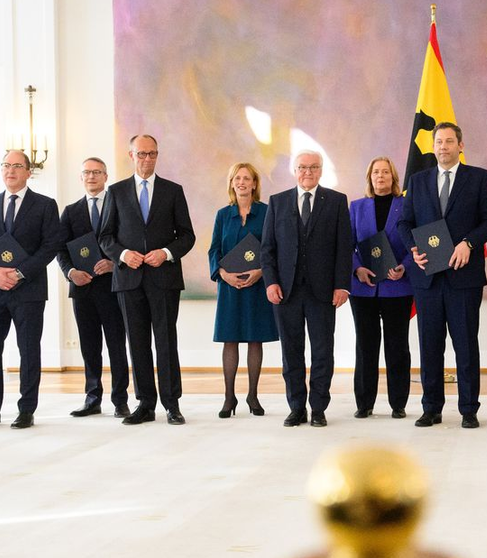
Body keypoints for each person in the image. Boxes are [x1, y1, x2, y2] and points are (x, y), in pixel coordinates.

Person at [399, 121, 487, 429]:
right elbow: (405, 223)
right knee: (430, 345)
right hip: (428, 278)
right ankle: (431, 408)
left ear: (460, 145)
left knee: (465, 344)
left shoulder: (479, 178)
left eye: (449, 142)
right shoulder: (417, 181)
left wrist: (469, 243)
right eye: (438, 142)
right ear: (433, 147)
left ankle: (469, 409)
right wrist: (413, 248)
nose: (443, 147)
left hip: (464, 278)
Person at [98, 134, 195, 425]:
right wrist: (123, 254)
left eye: (152, 154)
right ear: (131, 156)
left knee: (166, 342)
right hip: (128, 279)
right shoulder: (115, 192)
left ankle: (172, 404)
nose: (147, 159)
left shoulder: (173, 191)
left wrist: (165, 253)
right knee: (137, 343)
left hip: (164, 279)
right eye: (141, 154)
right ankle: (145, 404)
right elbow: (105, 237)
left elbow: (187, 236)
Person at [0, 150, 65, 429]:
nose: (10, 170)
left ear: (28, 171)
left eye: (17, 166)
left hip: (29, 290)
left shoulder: (45, 205)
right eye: (6, 165)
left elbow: (51, 245)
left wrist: (21, 273)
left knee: (28, 350)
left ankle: (26, 409)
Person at [261, 150, 352, 426]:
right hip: (286, 291)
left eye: (313, 167)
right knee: (291, 351)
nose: (308, 172)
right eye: (302, 167)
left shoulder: (336, 201)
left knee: (323, 350)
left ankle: (318, 408)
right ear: (294, 170)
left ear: (321, 170)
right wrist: (271, 282)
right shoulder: (277, 202)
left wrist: (342, 286)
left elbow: (343, 248)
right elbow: (267, 249)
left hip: (323, 291)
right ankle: (296, 406)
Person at [58, 156, 129, 419]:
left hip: (113, 288)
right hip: (83, 290)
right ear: (81, 177)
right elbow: (60, 249)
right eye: (86, 172)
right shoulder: (71, 211)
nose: (91, 177)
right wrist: (71, 272)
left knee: (116, 346)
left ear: (106, 176)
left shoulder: (120, 206)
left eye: (97, 172)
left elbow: (127, 243)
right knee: (89, 346)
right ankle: (92, 398)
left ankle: (120, 400)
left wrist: (114, 262)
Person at [207, 160, 277, 417]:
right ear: (231, 183)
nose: (241, 182)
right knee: (230, 339)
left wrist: (261, 272)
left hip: (257, 286)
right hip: (229, 287)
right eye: (237, 178)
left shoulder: (268, 212)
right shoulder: (223, 215)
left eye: (246, 178)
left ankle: (253, 396)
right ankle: (229, 398)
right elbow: (214, 249)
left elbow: (273, 247)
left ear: (255, 183)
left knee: (255, 339)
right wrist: (223, 274)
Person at [349, 156, 412, 419]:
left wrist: (405, 266)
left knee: (397, 345)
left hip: (398, 287)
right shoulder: (356, 207)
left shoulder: (406, 205)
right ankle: (364, 403)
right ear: (370, 177)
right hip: (363, 288)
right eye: (376, 172)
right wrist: (357, 268)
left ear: (393, 177)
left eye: (385, 172)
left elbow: (416, 241)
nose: (380, 176)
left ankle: (398, 403)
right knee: (366, 345)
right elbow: (346, 243)